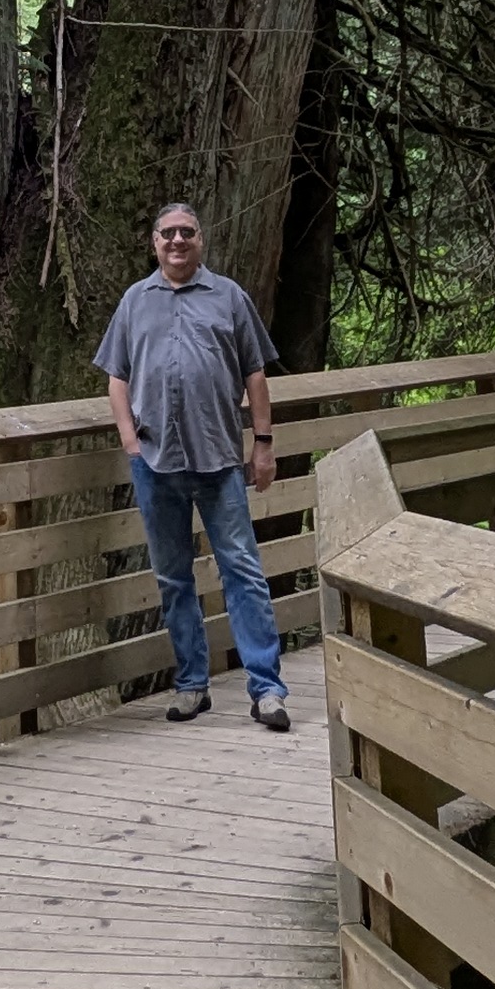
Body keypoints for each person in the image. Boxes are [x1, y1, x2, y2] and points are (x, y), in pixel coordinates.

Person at [97, 201, 292, 731]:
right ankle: (191, 684)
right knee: (173, 577)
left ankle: (267, 689)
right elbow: (117, 376)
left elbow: (255, 375)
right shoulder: (135, 301)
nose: (177, 241)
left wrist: (264, 443)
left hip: (219, 457)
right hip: (155, 462)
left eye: (187, 232)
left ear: (200, 241)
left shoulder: (229, 296)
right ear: (154, 242)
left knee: (243, 571)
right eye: (168, 234)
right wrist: (128, 438)